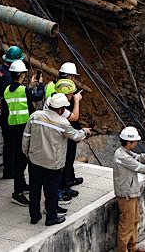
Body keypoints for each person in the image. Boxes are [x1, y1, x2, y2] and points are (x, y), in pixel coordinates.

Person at [22, 93, 89, 226]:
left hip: (35, 160)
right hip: (53, 164)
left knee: (35, 190)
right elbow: (76, 136)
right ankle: (51, 217)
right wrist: (85, 132)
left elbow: (26, 136)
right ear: (60, 109)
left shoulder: (35, 116)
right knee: (51, 191)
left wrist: (28, 154)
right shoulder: (63, 123)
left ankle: (34, 216)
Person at [4, 59, 45, 206]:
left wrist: (30, 86)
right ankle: (17, 193)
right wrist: (40, 84)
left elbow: (21, 96)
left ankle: (21, 185)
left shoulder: (7, 90)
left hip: (12, 127)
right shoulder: (24, 90)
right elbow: (38, 96)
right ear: (21, 74)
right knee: (21, 161)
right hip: (23, 128)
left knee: (19, 159)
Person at [0, 45, 25, 179]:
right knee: (13, 144)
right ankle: (10, 171)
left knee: (8, 143)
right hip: (10, 114)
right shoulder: (9, 77)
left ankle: (9, 170)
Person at [52, 77, 86, 200]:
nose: (72, 96)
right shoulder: (60, 108)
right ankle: (60, 191)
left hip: (53, 140)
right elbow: (74, 117)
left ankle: (63, 187)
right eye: (72, 94)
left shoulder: (51, 101)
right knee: (62, 165)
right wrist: (77, 101)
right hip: (59, 140)